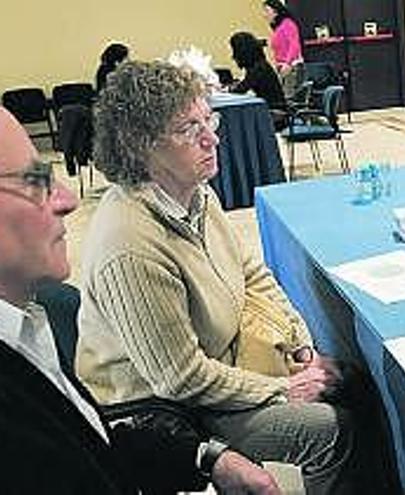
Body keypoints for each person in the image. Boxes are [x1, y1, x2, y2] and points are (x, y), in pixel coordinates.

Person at [75, 60, 355, 494]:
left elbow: (254, 275)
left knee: (348, 378)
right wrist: (282, 389)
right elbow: (180, 378)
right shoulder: (131, 246)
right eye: (189, 129)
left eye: (209, 119)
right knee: (330, 427)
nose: (213, 137)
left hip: (222, 361)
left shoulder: (195, 192)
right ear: (141, 146)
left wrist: (301, 346)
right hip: (170, 412)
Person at [0, 107, 280, 494]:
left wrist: (207, 458)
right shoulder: (129, 243)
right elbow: (180, 379)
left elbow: (94, 444)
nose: (67, 200)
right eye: (34, 181)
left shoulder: (26, 327)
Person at [229, 31, 288, 128]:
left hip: (275, 113)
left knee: (238, 121)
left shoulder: (258, 68)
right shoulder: (260, 65)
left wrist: (228, 89)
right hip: (273, 109)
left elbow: (240, 90)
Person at [263, 0, 304, 101]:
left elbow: (295, 45)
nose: (265, 15)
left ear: (276, 12)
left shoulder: (288, 24)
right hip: (283, 67)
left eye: (267, 11)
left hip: (291, 67)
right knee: (284, 96)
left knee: (289, 98)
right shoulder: (278, 28)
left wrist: (287, 63)